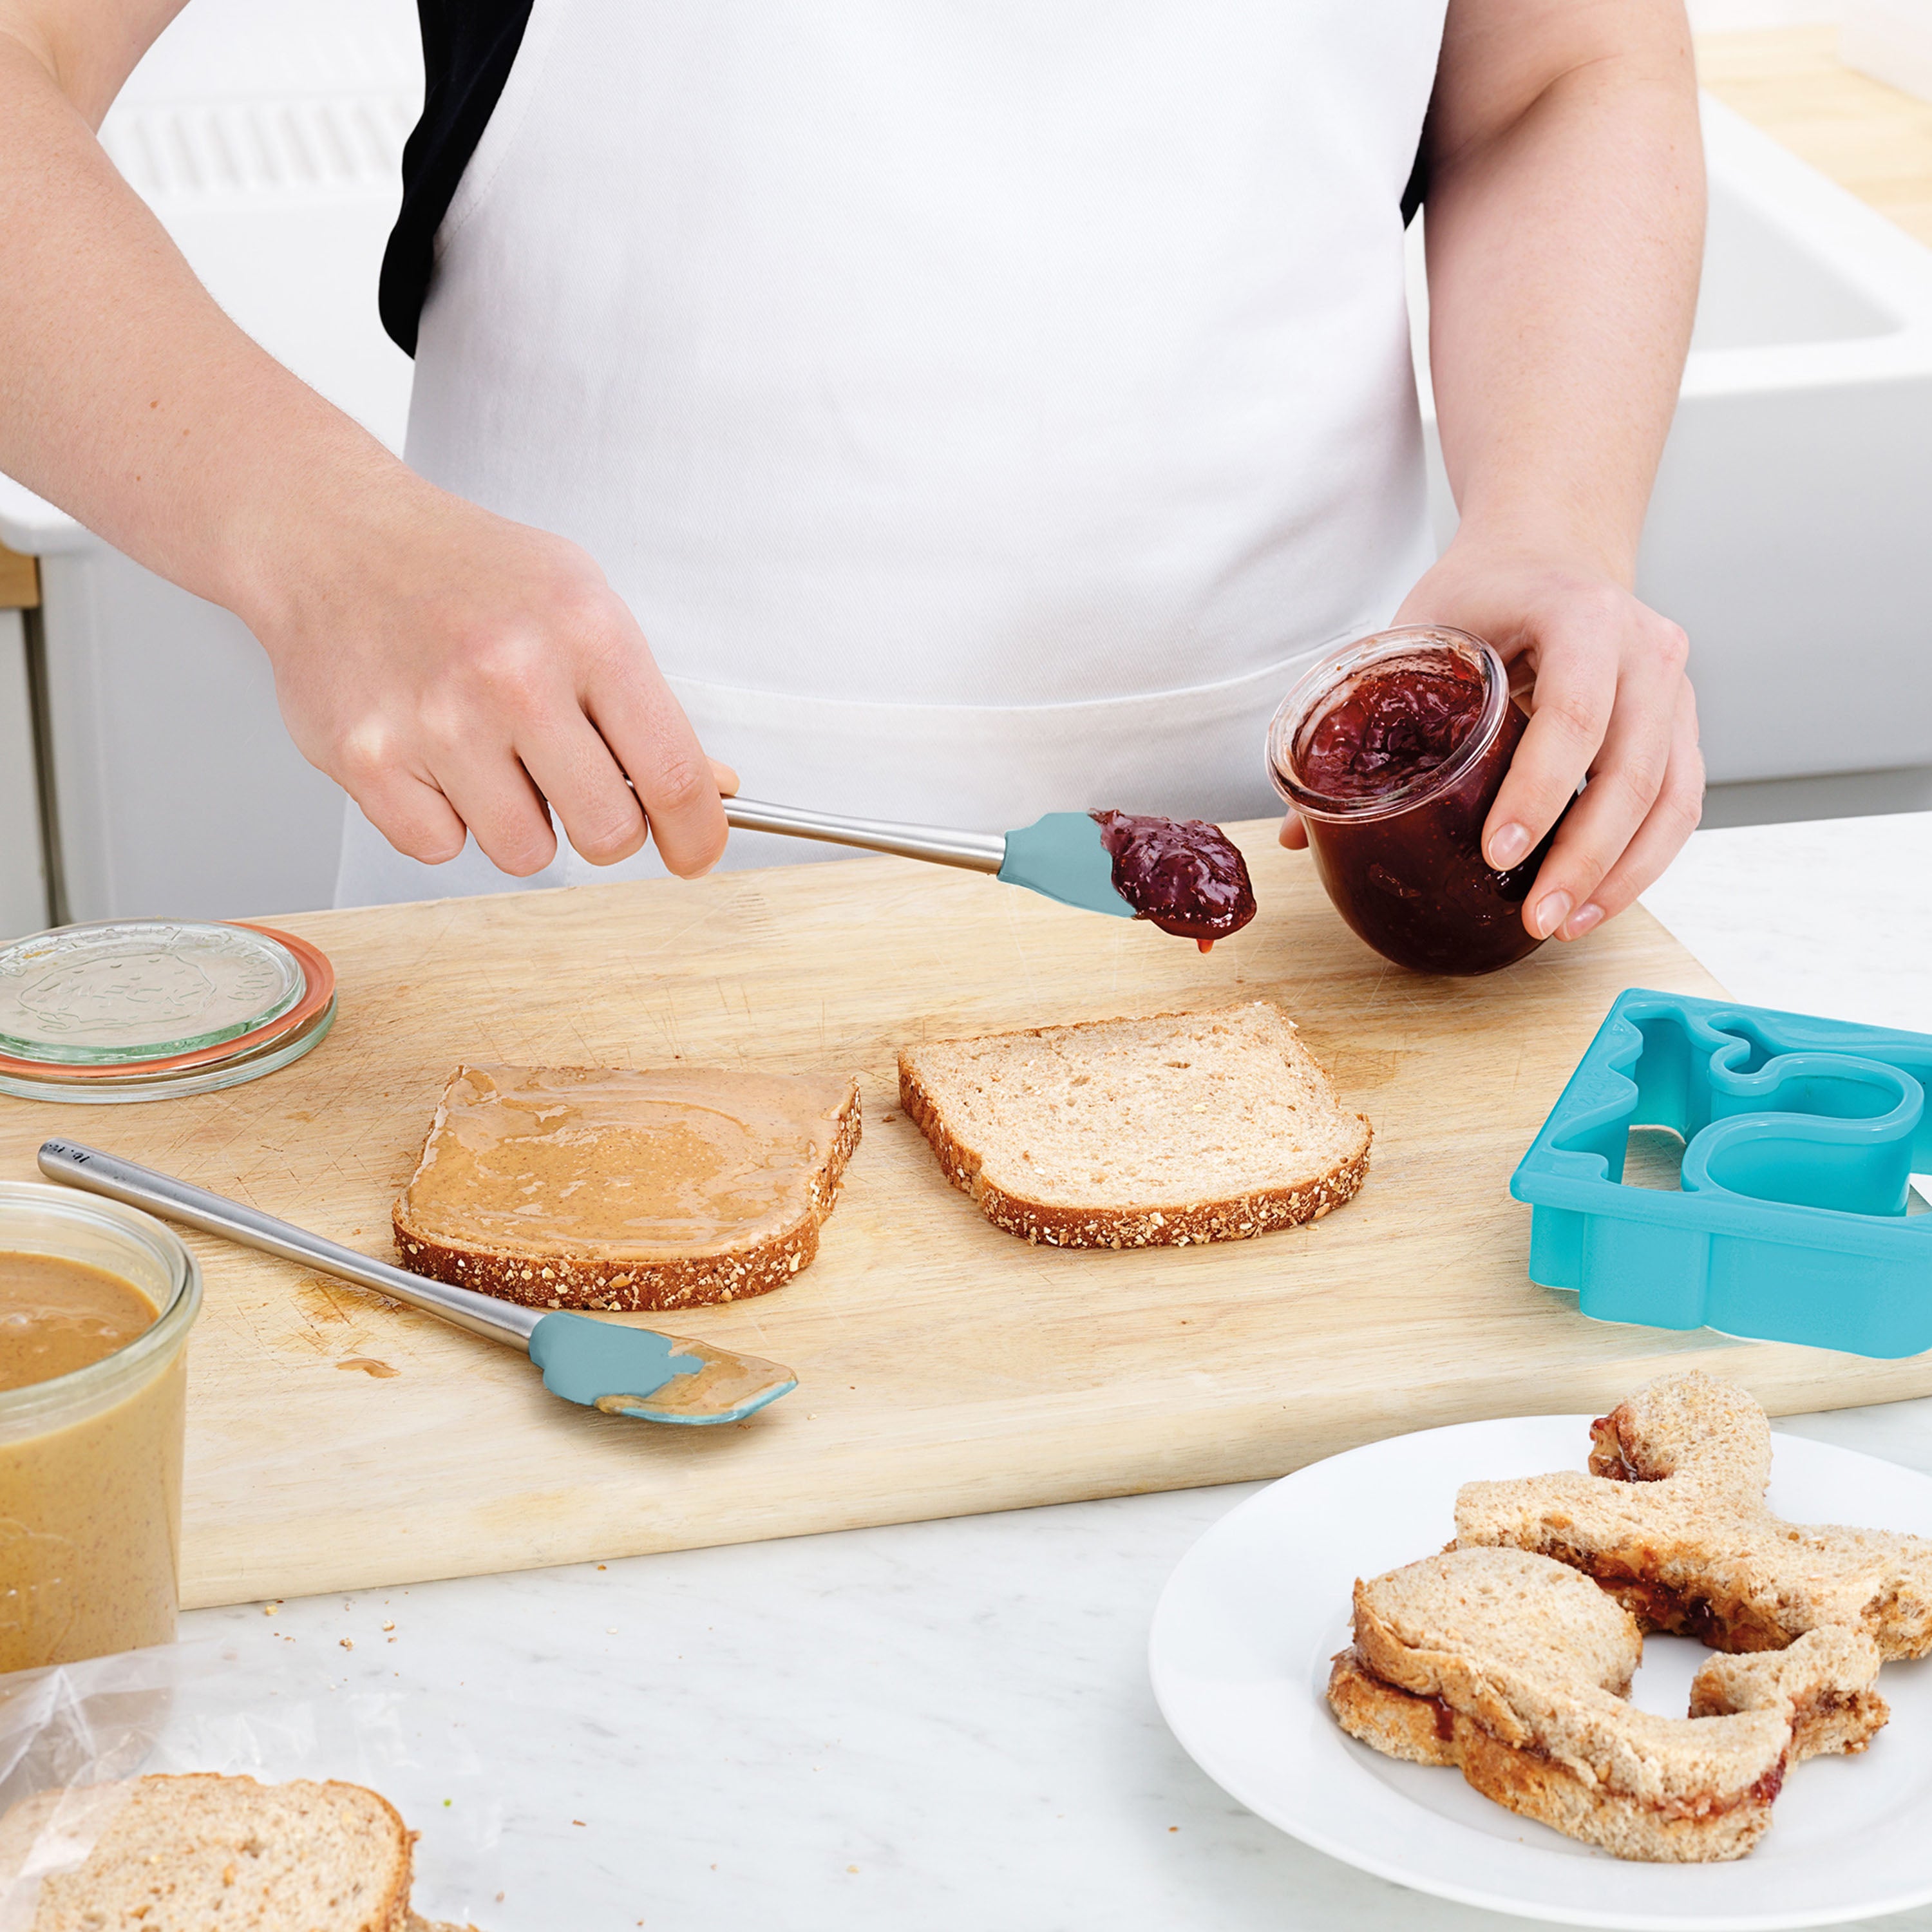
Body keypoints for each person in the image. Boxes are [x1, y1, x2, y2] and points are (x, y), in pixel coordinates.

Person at [0, 0, 1704, 942]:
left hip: (1311, 905)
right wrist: (318, 535)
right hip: (587, 890)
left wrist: (1554, 522)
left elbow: (1560, 72)